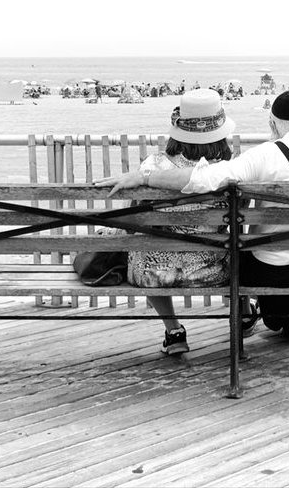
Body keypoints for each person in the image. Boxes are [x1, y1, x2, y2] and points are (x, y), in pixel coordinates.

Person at [95, 91, 289, 345]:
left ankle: (286, 316)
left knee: (253, 253)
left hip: (270, 272)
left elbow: (202, 179)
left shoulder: (262, 156)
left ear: (273, 125)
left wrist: (144, 177)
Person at [95, 88, 257, 356]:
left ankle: (174, 331)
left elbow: (132, 221)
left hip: (152, 275)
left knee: (144, 251)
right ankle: (244, 315)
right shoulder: (230, 170)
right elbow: (240, 222)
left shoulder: (153, 166)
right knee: (237, 249)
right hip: (214, 272)